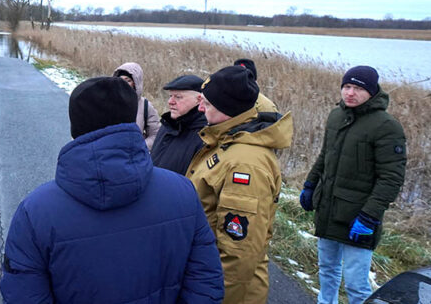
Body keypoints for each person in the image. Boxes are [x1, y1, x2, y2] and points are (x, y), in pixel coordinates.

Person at [0, 77, 224, 303]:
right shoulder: (183, 192)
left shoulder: (35, 211)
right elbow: (205, 279)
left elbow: (24, 293)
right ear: (131, 121)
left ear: (75, 127)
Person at [186, 65, 294, 304]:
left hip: (226, 290)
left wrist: (213, 297)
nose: (200, 108)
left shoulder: (245, 165)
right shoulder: (226, 142)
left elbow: (239, 253)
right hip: (206, 273)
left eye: (207, 103)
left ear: (227, 110)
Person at [299, 66, 406, 304]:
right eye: (347, 86)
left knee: (356, 284)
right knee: (327, 270)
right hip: (328, 209)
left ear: (372, 92)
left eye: (358, 88)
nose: (350, 93)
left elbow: (391, 178)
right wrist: (310, 184)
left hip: (359, 217)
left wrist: (369, 216)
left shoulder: (386, 126)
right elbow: (324, 155)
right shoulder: (336, 116)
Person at [150, 75, 207, 174]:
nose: (170, 102)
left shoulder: (205, 135)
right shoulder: (167, 125)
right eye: (170, 96)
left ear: (199, 100)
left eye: (178, 97)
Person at [112, 62, 161, 150]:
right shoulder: (107, 102)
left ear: (135, 83)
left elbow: (156, 135)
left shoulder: (145, 106)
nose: (123, 84)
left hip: (134, 158)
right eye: (121, 80)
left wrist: (140, 147)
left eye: (128, 80)